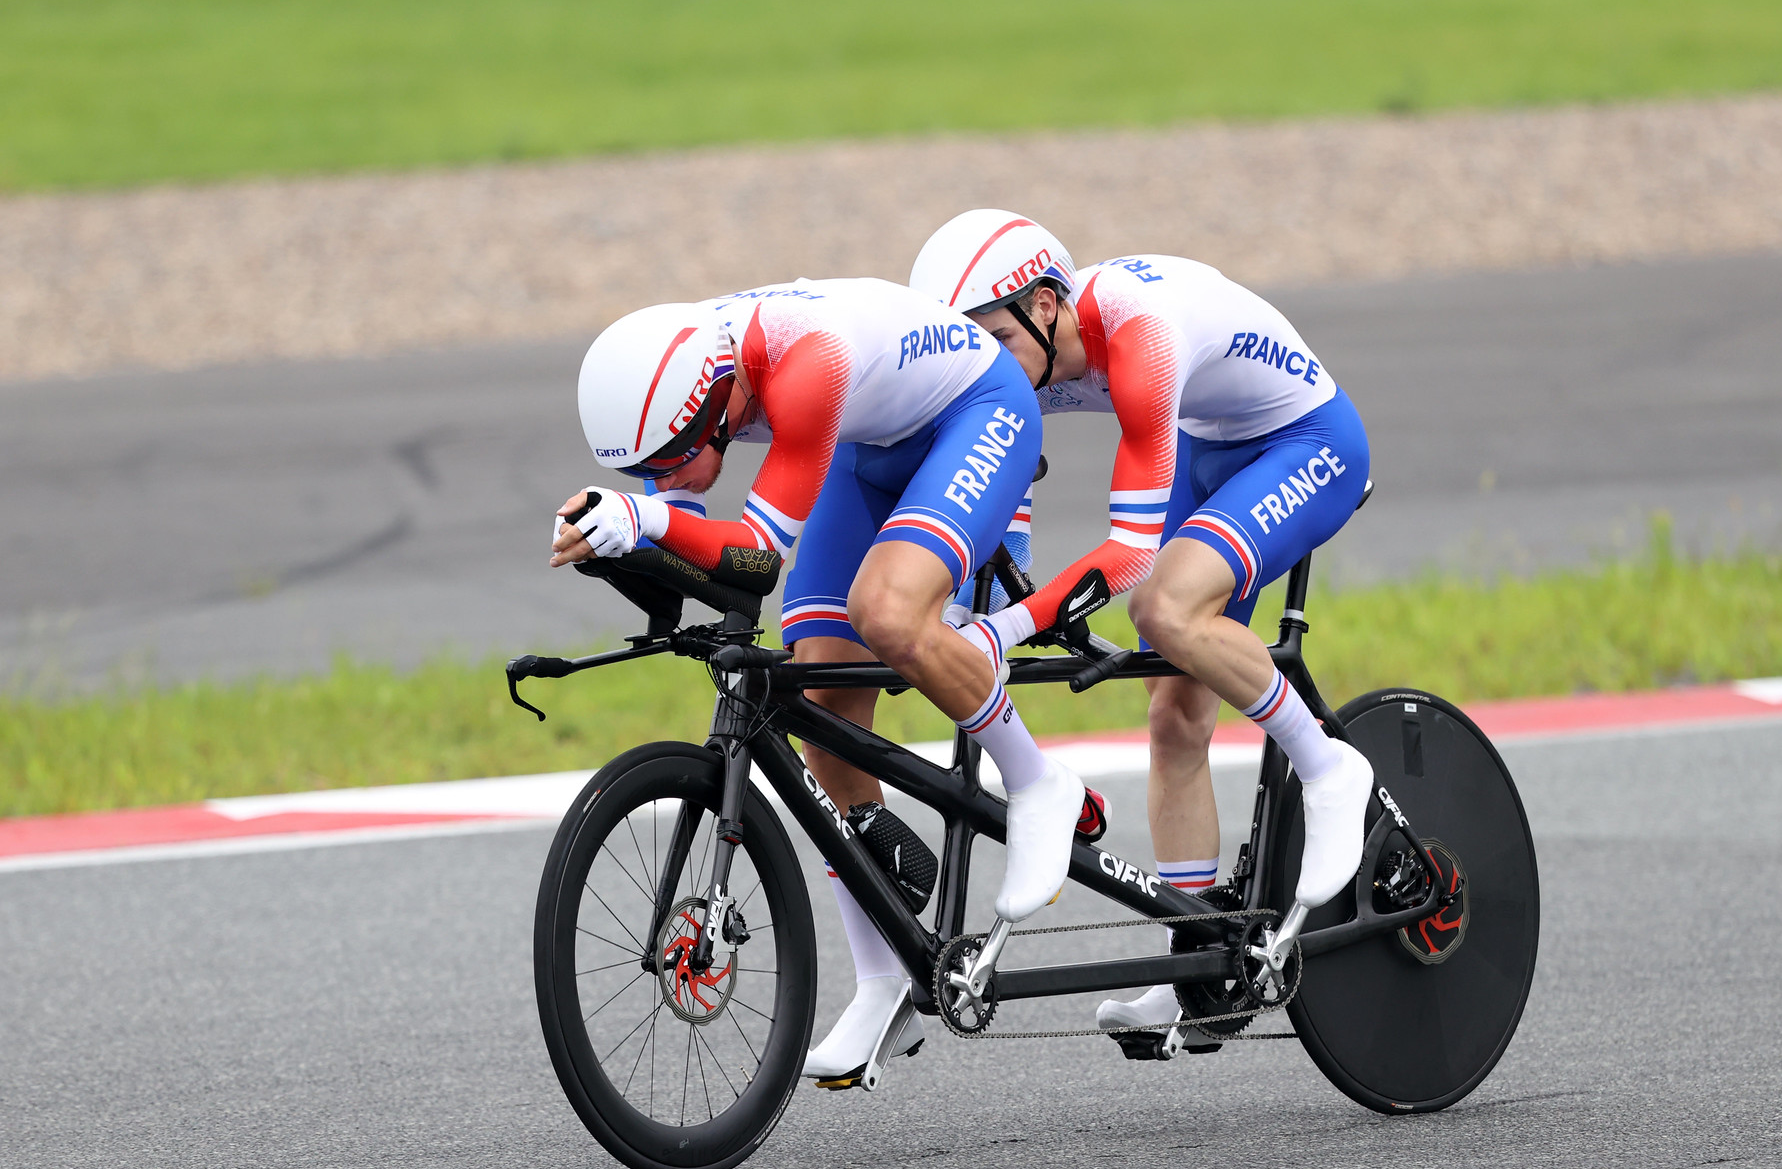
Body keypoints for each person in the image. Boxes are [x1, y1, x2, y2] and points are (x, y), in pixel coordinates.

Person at [550, 279, 1087, 1083]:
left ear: (718, 409)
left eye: (668, 460)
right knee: (814, 684)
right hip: (869, 445)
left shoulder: (805, 363)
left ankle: (1039, 781)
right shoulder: (698, 379)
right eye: (644, 469)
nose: (665, 479)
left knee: (888, 611)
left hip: (978, 414)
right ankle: (882, 982)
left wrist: (645, 521)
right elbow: (692, 541)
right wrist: (616, 542)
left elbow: (756, 555)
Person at [910, 211, 1376, 1034]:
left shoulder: (1139, 337)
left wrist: (1008, 629)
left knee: (1163, 606)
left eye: (993, 340)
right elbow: (1006, 469)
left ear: (1045, 306)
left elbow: (1128, 554)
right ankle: (1194, 955)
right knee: (1175, 716)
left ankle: (1329, 769)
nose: (993, 367)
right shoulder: (1029, 348)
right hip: (1214, 442)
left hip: (1306, 445)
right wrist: (966, 607)